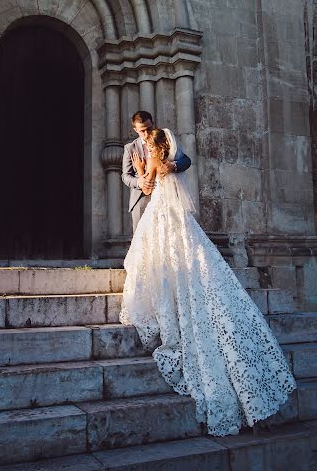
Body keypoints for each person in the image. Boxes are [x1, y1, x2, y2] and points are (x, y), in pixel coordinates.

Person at [120, 127, 296, 437]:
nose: (144, 136)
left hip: (159, 210)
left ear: (151, 139)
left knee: (153, 262)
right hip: (179, 216)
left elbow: (146, 189)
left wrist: (142, 166)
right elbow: (181, 163)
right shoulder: (172, 158)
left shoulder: (151, 157)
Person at [121, 111, 191, 233]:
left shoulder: (164, 141)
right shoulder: (130, 148)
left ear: (153, 123)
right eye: (142, 130)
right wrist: (139, 181)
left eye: (149, 128)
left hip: (167, 197)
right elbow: (125, 176)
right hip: (141, 198)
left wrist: (174, 165)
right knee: (142, 239)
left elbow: (186, 160)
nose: (146, 133)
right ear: (135, 129)